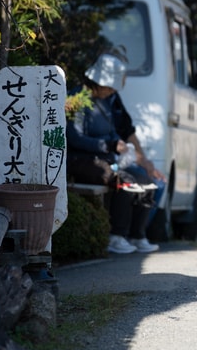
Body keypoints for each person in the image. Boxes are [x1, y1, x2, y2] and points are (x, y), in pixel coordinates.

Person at [66, 53, 168, 255]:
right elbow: (75, 137)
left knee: (145, 179)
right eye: (109, 86)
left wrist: (122, 147)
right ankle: (116, 235)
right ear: (98, 81)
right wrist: (109, 145)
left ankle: (137, 235)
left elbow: (118, 128)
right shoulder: (77, 100)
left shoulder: (108, 100)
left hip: (108, 158)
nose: (112, 91)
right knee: (127, 181)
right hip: (83, 160)